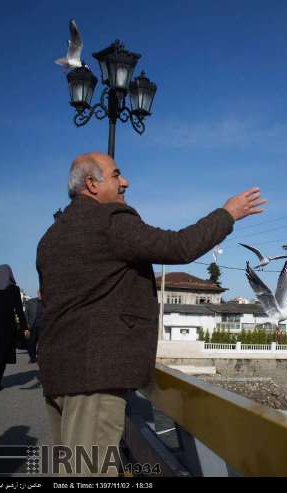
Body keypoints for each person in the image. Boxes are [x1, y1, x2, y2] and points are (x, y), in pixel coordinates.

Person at [36, 152, 265, 476]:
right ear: (92, 184)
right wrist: (228, 214)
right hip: (95, 377)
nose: (125, 181)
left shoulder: (50, 237)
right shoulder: (109, 221)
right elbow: (178, 247)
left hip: (58, 372)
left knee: (69, 470)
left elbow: (49, 298)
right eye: (116, 175)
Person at [0, 264, 28, 397]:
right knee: (2, 357)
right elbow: (19, 311)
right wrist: (25, 328)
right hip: (6, 328)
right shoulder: (13, 289)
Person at [24, 291, 44, 363]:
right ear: (37, 293)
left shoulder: (47, 302)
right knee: (31, 343)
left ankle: (40, 356)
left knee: (43, 343)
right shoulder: (31, 302)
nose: (41, 295)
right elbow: (26, 314)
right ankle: (32, 357)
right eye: (40, 293)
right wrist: (26, 325)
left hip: (43, 326)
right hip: (33, 326)